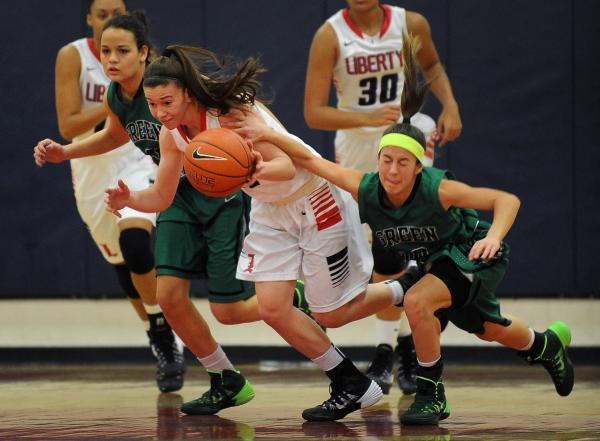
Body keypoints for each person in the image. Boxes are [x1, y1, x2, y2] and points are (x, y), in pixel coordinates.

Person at [227, 33, 575, 425]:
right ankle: (544, 345)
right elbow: (313, 160)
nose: (392, 171)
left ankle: (431, 395)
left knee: (417, 301)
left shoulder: (439, 189)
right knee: (490, 329)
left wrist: (494, 238)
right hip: (436, 262)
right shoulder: (367, 187)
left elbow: (506, 200)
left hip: (470, 251)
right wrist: (267, 137)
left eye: (402, 163)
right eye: (386, 161)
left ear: (418, 166)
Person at [105, 44, 425, 421]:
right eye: (153, 105)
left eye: (166, 103)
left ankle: (408, 284)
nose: (160, 113)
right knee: (274, 308)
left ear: (187, 93)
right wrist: (130, 198)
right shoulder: (170, 136)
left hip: (314, 197)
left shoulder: (232, 115)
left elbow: (287, 166)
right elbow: (161, 195)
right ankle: (350, 382)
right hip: (271, 211)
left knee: (333, 314)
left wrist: (252, 170)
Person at [33, 12, 268, 415]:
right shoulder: (115, 95)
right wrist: (64, 151)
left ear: (144, 53)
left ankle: (291, 295)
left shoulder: (166, 87)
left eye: (122, 51)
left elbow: (231, 109)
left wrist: (254, 146)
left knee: (228, 309)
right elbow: (113, 134)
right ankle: (224, 378)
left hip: (214, 193)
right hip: (172, 190)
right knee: (169, 298)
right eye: (106, 51)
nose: (111, 59)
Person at [304, 0, 463, 395]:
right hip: (358, 146)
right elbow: (313, 113)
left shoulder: (411, 22)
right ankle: (391, 345)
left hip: (407, 136)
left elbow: (432, 66)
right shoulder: (330, 35)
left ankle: (395, 350)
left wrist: (451, 104)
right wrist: (367, 118)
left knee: (411, 239)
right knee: (382, 249)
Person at [34, 0, 183, 393]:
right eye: (100, 15)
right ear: (89, 19)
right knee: (121, 263)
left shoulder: (146, 69)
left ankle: (166, 329)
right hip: (91, 162)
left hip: (137, 156)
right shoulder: (74, 56)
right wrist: (119, 100)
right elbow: (68, 124)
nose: (107, 23)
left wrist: (134, 101)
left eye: (114, 13)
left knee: (135, 243)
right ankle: (157, 329)